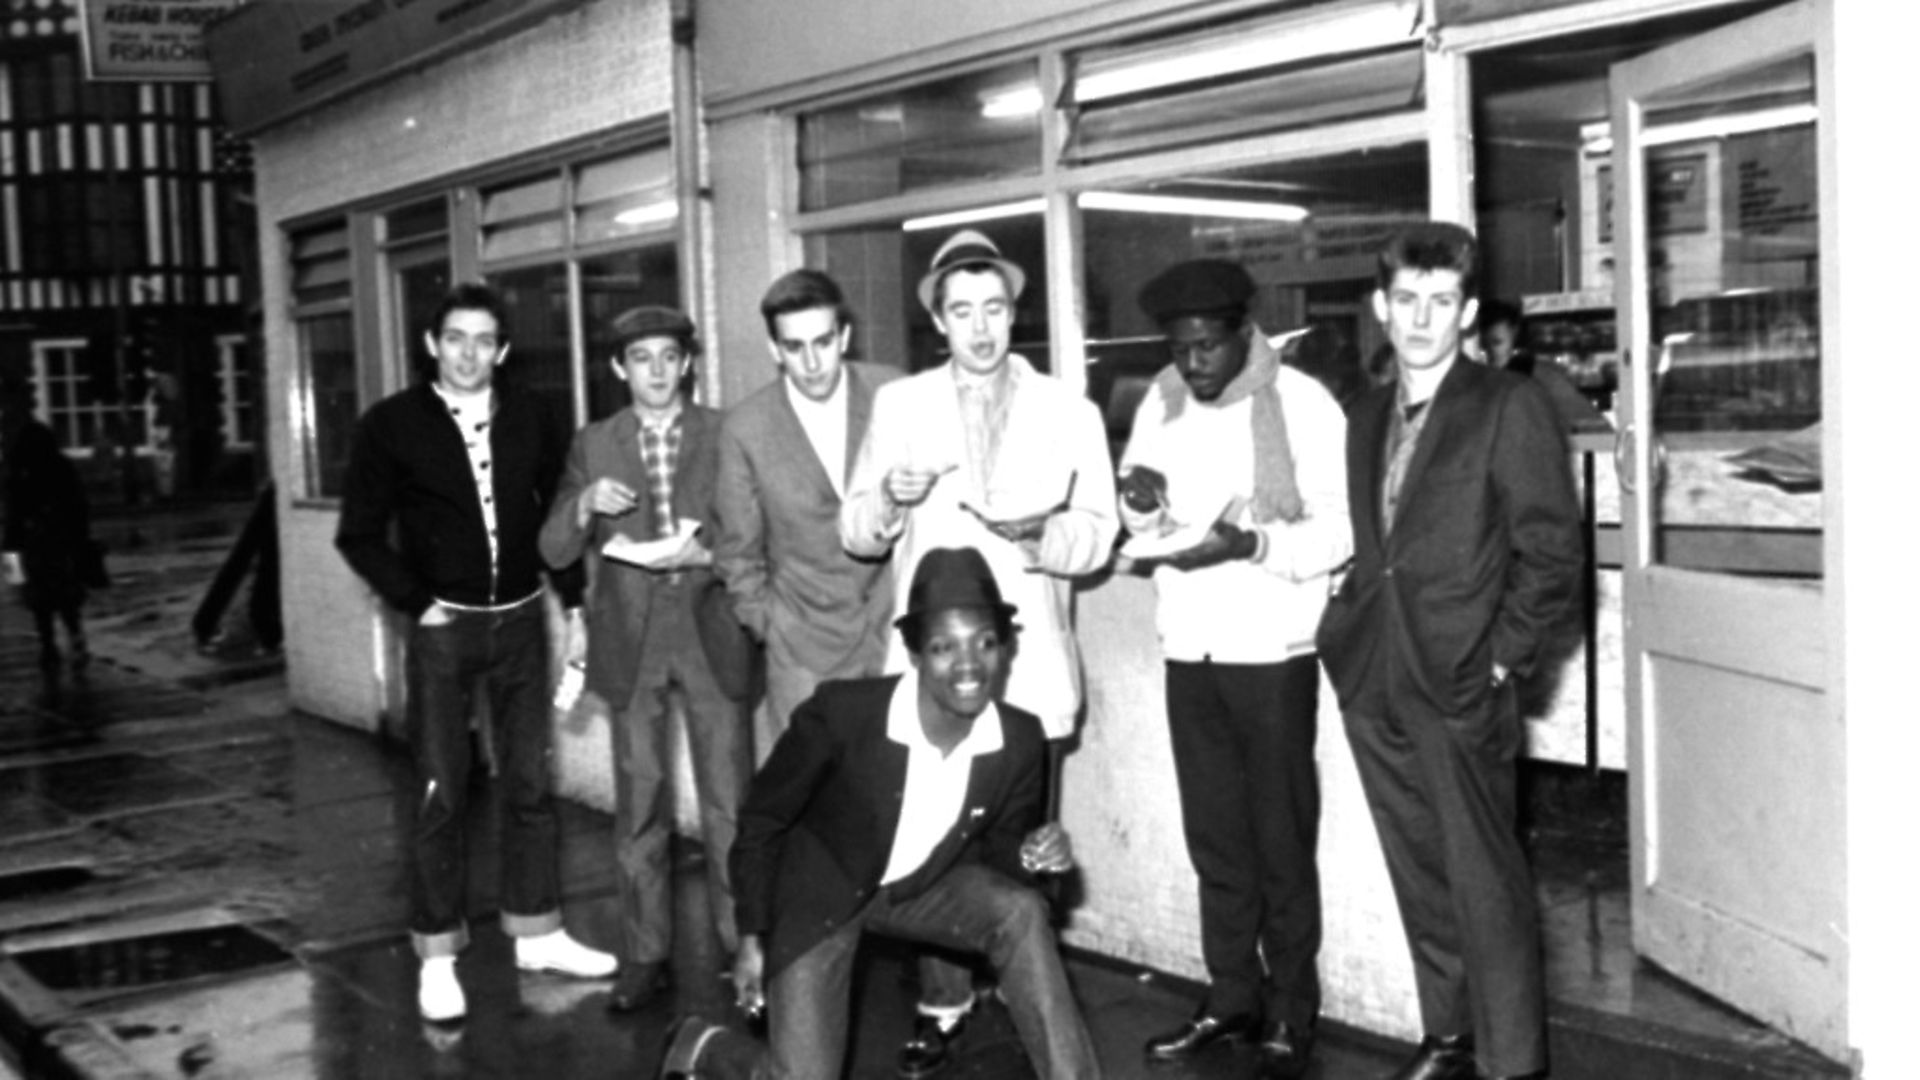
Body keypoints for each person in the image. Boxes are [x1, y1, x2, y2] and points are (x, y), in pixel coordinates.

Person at [656, 546, 1100, 1080]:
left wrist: (1035, 857)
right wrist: (752, 936)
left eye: (984, 643)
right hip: (823, 894)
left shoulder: (1019, 739)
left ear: (1004, 648)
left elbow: (1002, 859)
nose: (967, 666)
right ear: (915, 654)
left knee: (1020, 911)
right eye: (943, 647)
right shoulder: (845, 714)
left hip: (921, 888)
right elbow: (763, 820)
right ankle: (704, 1046)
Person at [838, 229, 1117, 1074]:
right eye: (963, 312)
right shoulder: (900, 407)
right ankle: (943, 1003)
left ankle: (1019, 1002)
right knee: (931, 839)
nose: (982, 328)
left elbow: (1101, 533)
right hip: (936, 668)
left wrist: (1046, 536)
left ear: (1013, 310)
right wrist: (889, 495)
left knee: (1026, 840)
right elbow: (855, 531)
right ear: (939, 321)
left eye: (994, 308)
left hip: (1027, 659)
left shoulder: (1071, 410)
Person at [1315, 223, 1583, 1080]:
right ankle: (1449, 1033)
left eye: (1440, 303)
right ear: (1379, 307)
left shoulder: (1508, 406)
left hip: (1465, 677)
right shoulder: (1362, 415)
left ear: (1465, 310)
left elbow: (1552, 555)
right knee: (1419, 868)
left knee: (1486, 877)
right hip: (1374, 671)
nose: (1421, 320)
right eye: (1406, 301)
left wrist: (1502, 657)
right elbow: (1376, 542)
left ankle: (1513, 1062)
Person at [335, 283, 616, 1024]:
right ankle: (437, 954)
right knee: (441, 792)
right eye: (455, 338)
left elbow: (554, 514)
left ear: (503, 349)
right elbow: (357, 533)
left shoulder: (532, 414)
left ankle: (538, 932)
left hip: (523, 622)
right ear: (432, 344)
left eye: (484, 340)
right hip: (442, 630)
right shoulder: (391, 425)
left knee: (529, 784)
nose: (469, 353)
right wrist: (415, 603)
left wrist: (575, 604)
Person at [1117, 259, 1352, 1078]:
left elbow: (1338, 536)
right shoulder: (1161, 402)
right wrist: (1140, 506)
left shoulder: (1304, 406)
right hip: (1190, 645)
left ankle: (1292, 1005)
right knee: (1215, 835)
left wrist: (1250, 542)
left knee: (1280, 839)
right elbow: (1141, 500)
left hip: (1273, 652)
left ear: (1242, 332)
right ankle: (1230, 995)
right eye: (1180, 350)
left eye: (1208, 348)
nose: (1193, 366)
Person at [538, 305, 753, 1013]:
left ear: (688, 362)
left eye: (669, 357)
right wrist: (582, 505)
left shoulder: (727, 433)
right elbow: (554, 551)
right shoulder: (594, 444)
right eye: (641, 359)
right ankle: (645, 954)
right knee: (639, 806)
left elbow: (757, 534)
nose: (656, 371)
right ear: (617, 368)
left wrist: (712, 555)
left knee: (730, 804)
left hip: (710, 630)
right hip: (630, 639)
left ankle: (743, 948)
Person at [714, 269, 901, 765]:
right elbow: (737, 553)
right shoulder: (746, 428)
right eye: (795, 348)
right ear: (775, 350)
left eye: (823, 342)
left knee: (892, 798)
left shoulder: (893, 392)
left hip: (894, 631)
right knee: (810, 803)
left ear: (845, 335)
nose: (813, 363)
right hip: (801, 647)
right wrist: (772, 627)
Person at [3, 400, 94, 680]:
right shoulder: (61, 468)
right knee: (67, 598)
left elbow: (12, 519)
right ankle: (75, 638)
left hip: (33, 546)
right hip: (61, 542)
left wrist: (10, 567)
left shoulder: (19, 474)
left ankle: (48, 646)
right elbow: (78, 507)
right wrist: (81, 540)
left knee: (40, 601)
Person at [1476, 299, 1606, 433]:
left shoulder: (1541, 377)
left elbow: (1593, 426)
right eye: (1480, 347)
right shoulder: (1474, 384)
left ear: (1514, 334)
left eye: (1497, 343)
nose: (1489, 354)